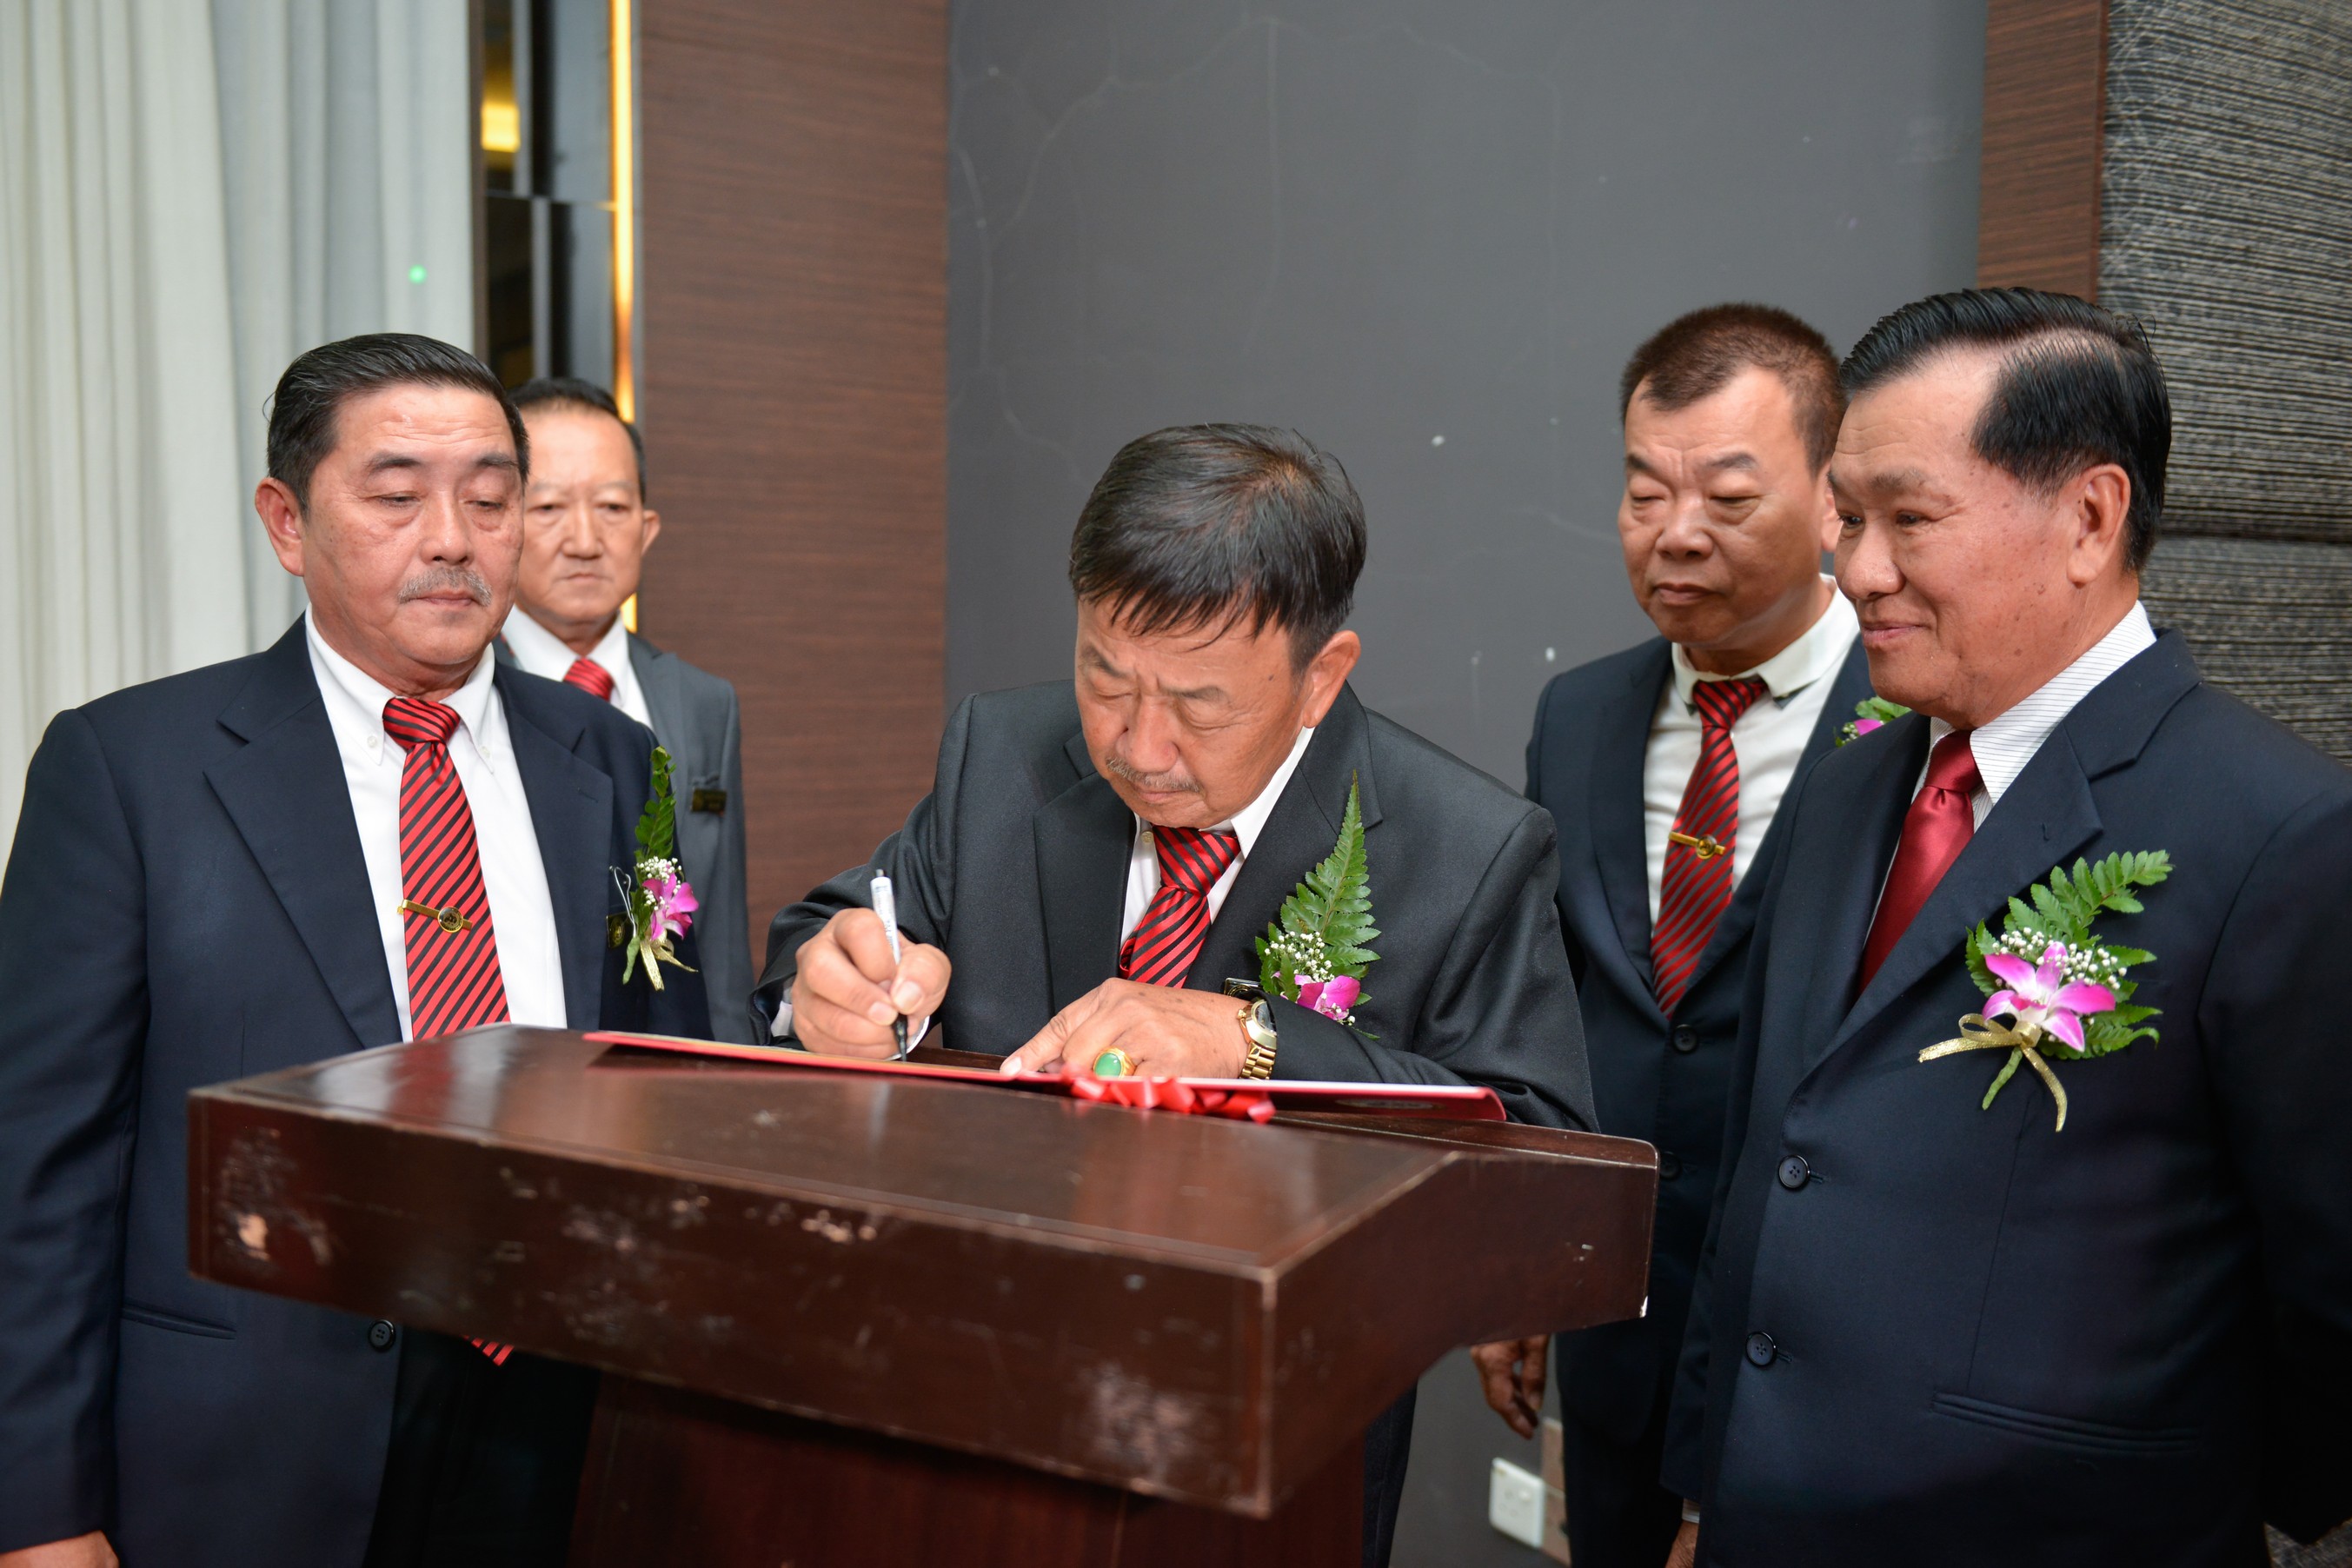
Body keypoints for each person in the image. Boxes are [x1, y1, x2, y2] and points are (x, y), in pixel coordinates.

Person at [754, 422, 1596, 1568]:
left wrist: (1255, 1039)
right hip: (966, 1405)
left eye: (1199, 704)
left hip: (1267, 1465)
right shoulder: (1004, 754)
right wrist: (829, 991)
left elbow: (1547, 1172)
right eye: (1106, 677)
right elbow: (819, 940)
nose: (1140, 747)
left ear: (1321, 676)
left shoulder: (1466, 846)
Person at [1661, 289, 2352, 1565]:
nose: (1858, 570)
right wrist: (1705, 1494)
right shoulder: (1851, 786)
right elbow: (1768, 1156)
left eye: (1909, 519)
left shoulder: (2283, 836)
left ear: (2089, 517)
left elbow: (2330, 1291)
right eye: (1849, 518)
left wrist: (2177, 1493)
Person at [0, 335, 712, 1568]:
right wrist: (39, 1511)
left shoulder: (622, 762)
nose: (452, 539)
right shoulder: (127, 769)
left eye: (489, 499)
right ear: (288, 523)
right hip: (253, 1439)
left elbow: (666, 1049)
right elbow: (38, 1166)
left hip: (561, 1410)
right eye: (395, 497)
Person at [1469, 304, 1872, 1568]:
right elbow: (1545, 1001)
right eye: (1645, 493)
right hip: (1614, 1327)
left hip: (1815, 1351)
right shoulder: (1580, 713)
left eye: (1729, 498)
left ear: (1833, 498)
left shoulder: (1912, 718)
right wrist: (1522, 1261)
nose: (1676, 533)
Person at [497, 376, 754, 1041]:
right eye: (548, 507)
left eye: (612, 507)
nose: (584, 540)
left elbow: (717, 943)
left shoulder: (702, 701)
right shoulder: (460, 694)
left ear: (646, 529)